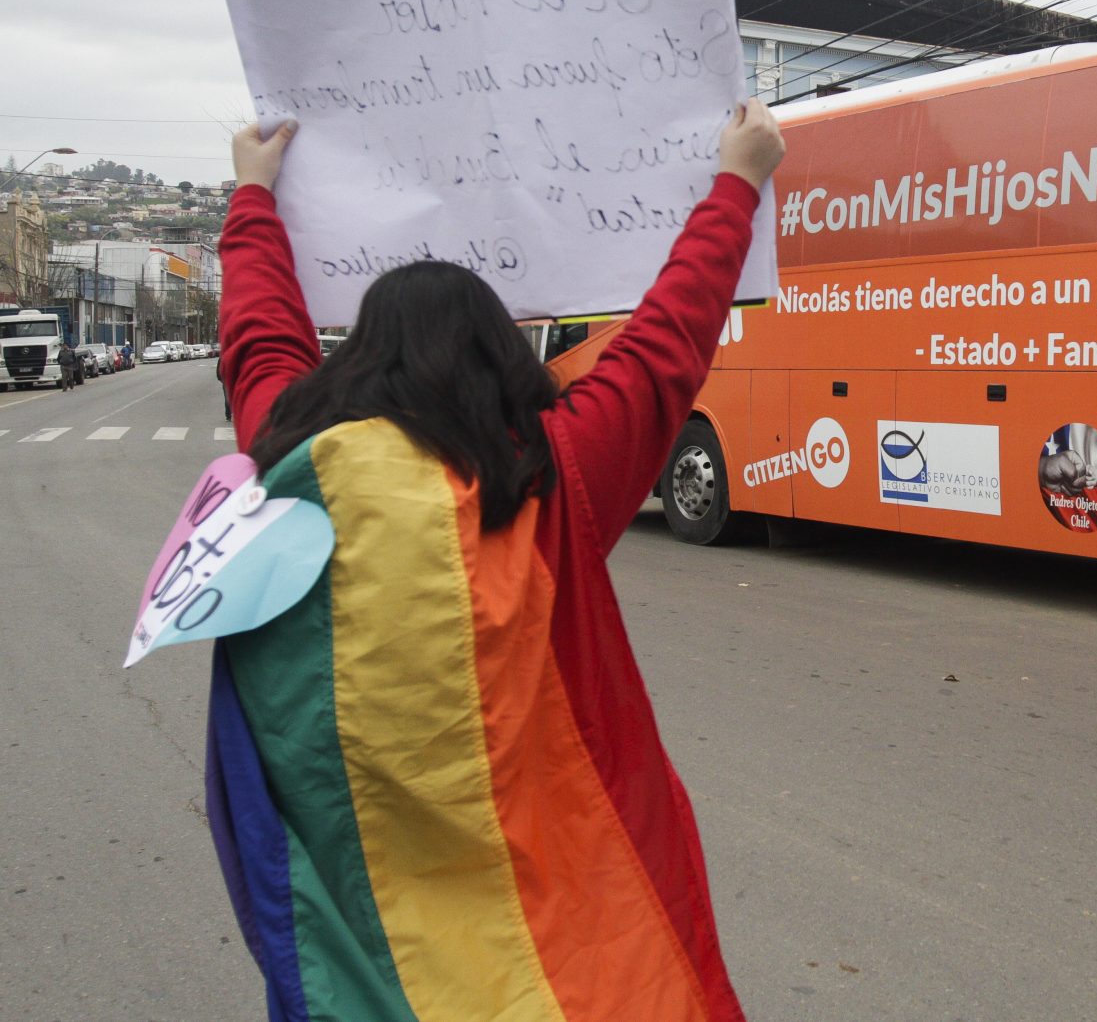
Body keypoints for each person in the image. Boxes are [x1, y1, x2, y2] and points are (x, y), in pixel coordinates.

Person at [207, 102, 783, 1022]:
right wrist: (738, 180)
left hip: (371, 949)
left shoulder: (286, 461)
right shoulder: (557, 475)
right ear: (499, 358)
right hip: (556, 940)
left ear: (361, 355)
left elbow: (259, 337)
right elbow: (668, 337)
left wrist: (252, 195)